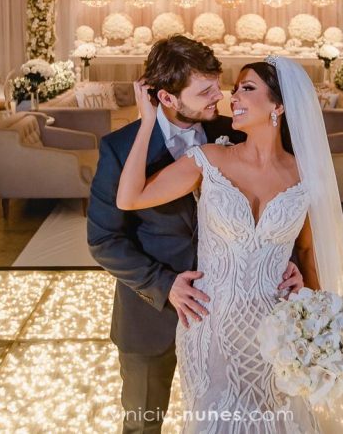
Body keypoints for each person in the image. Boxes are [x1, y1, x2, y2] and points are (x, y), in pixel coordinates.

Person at [116, 55, 343, 432]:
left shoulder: (307, 176)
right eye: (235, 90)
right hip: (210, 328)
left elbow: (309, 252)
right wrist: (147, 123)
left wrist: (317, 318)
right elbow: (129, 198)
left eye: (247, 89)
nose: (234, 98)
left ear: (279, 105)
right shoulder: (210, 159)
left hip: (278, 334)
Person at [87, 37, 304, 433]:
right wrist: (165, 284)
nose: (219, 97)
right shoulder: (120, 149)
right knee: (143, 423)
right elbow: (104, 240)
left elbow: (275, 206)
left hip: (235, 322)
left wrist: (288, 263)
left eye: (218, 85)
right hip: (150, 315)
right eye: (205, 90)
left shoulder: (236, 130)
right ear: (167, 98)